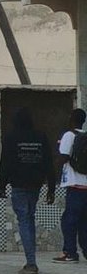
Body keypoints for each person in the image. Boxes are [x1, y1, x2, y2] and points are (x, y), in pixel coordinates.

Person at [0, 107, 56, 273]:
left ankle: (31, 263)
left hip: (18, 185)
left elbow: (5, 163)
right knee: (29, 217)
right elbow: (48, 163)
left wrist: (2, 185)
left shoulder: (11, 137)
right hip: (35, 185)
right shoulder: (40, 137)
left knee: (24, 219)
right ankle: (31, 260)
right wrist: (51, 188)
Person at [54, 108, 87, 263]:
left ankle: (69, 253)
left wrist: (53, 169)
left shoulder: (69, 135)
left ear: (71, 118)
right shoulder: (84, 136)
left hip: (75, 185)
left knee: (68, 220)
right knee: (83, 221)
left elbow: (64, 156)